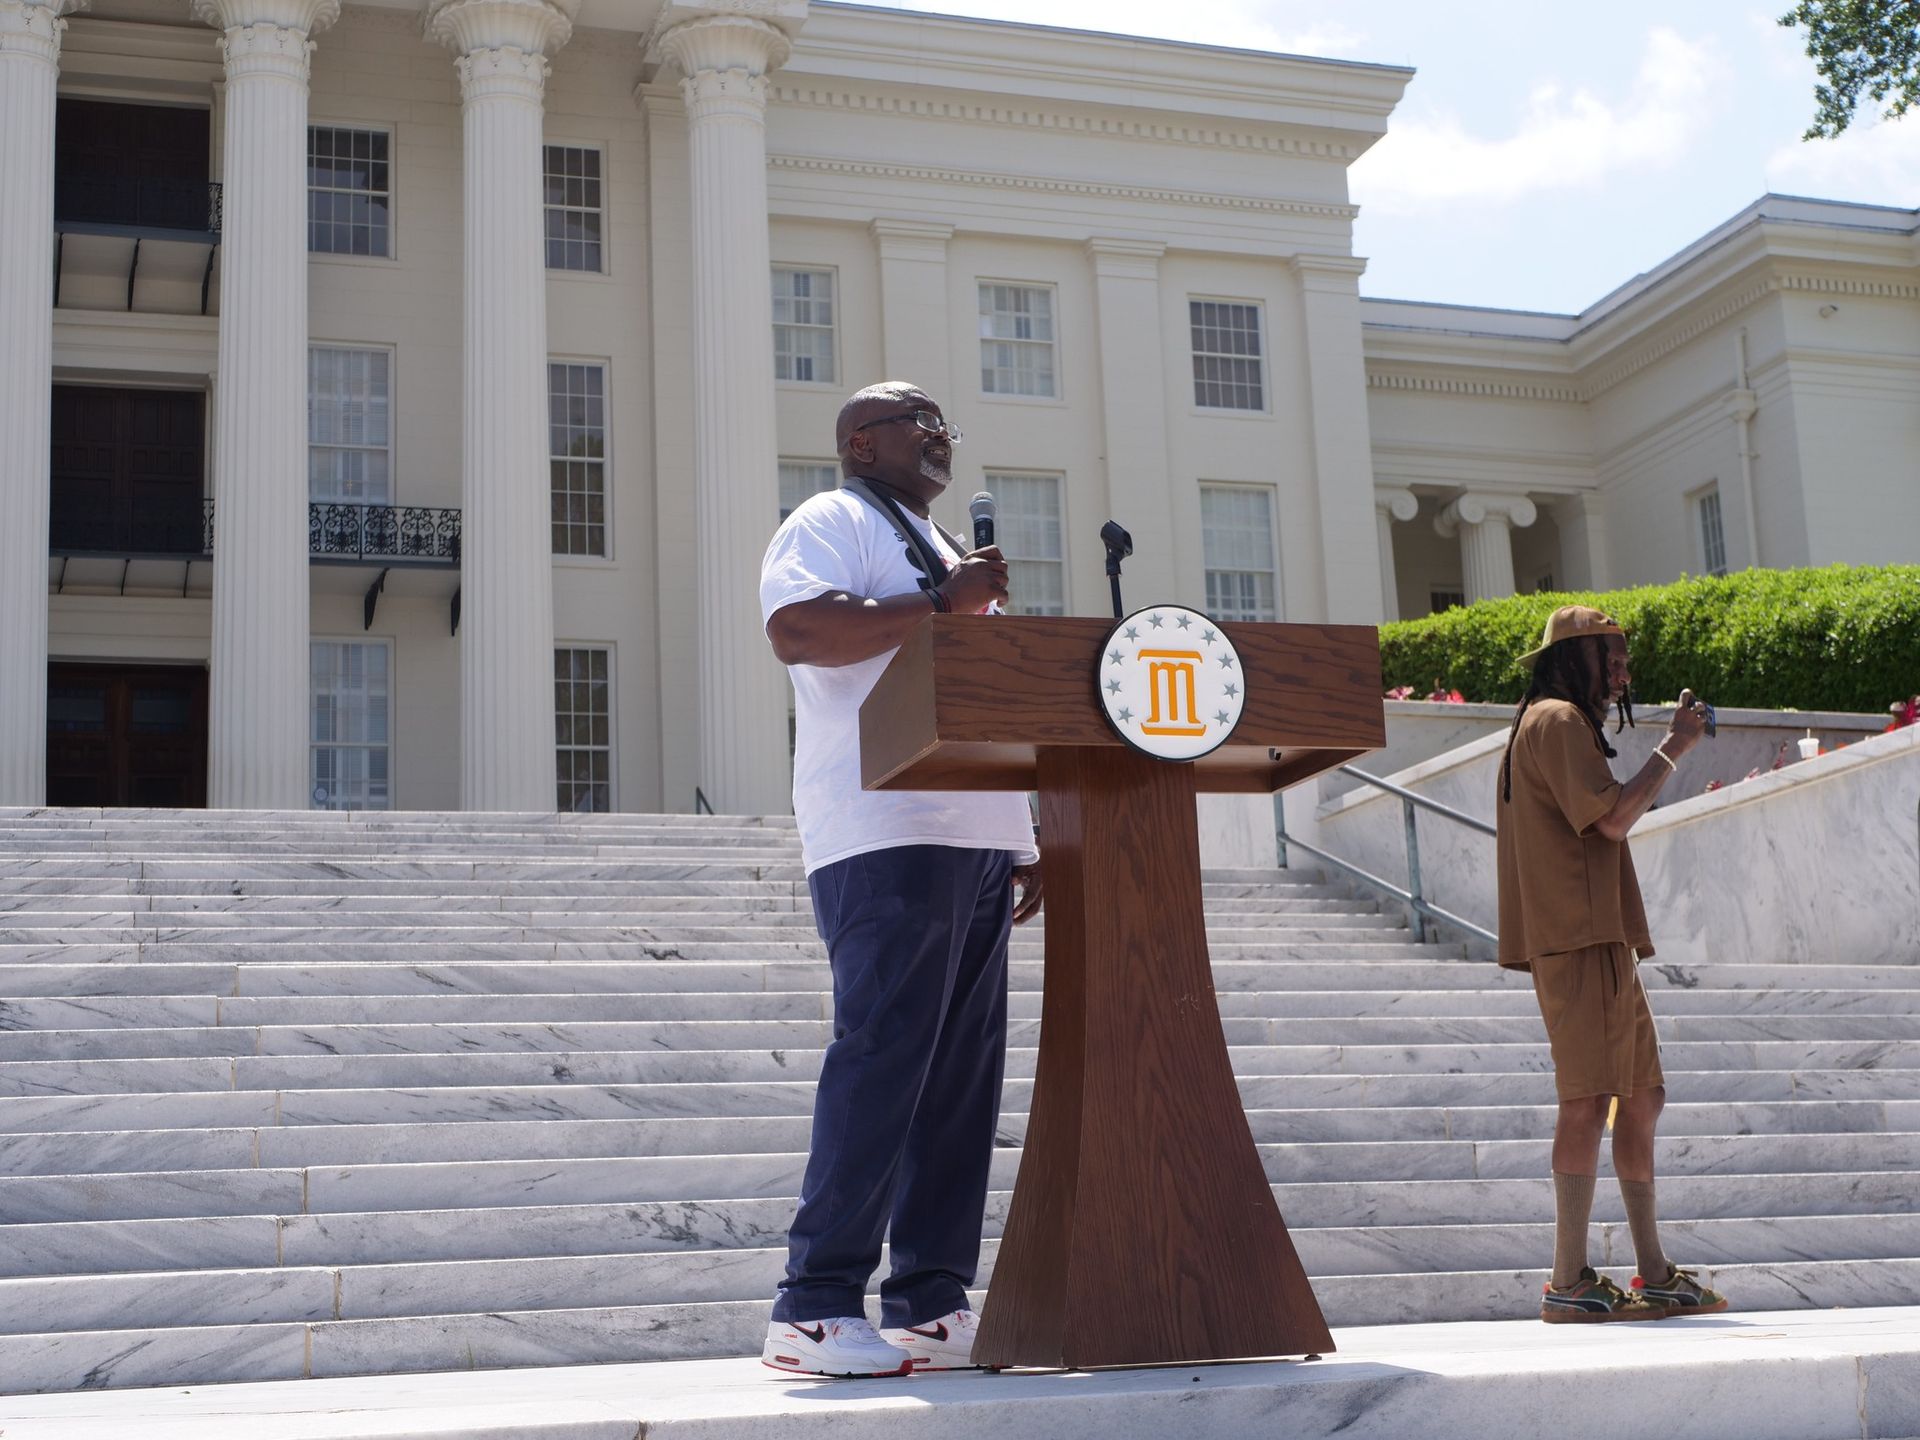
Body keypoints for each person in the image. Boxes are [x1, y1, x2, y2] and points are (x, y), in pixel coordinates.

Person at [757, 381, 1043, 1377]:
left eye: (942, 423)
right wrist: (938, 603)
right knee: (883, 1062)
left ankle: (929, 1299)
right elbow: (798, 630)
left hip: (972, 839)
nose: (936, 433)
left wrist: (1022, 836)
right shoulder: (831, 520)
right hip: (884, 829)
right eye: (914, 420)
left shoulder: (939, 551)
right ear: (860, 442)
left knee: (960, 1083)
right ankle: (813, 1305)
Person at [1495, 605, 1730, 1323]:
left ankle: (1654, 1273)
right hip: (1578, 938)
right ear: (1575, 659)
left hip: (1602, 936)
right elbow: (1613, 819)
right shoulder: (1556, 721)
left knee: (1643, 1094)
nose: (1624, 672)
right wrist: (1676, 746)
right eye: (1613, 658)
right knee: (1588, 1100)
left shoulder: (1556, 722)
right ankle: (1568, 1279)